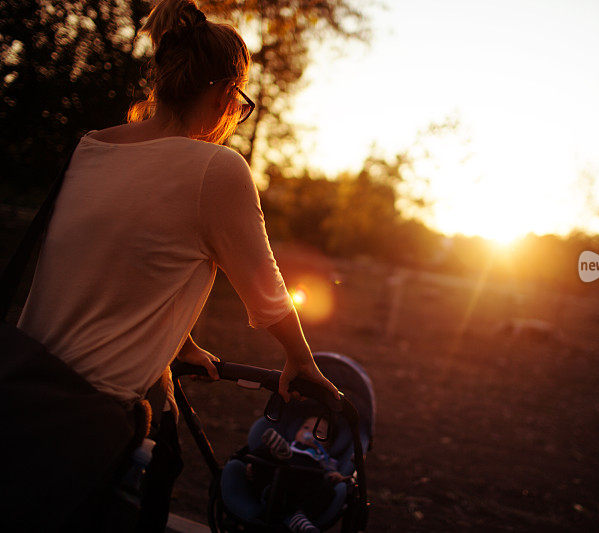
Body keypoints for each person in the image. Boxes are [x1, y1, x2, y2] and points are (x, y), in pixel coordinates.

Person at [15, 0, 339, 530]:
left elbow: (111, 260)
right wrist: (300, 360)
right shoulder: (215, 168)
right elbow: (267, 293)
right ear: (224, 94)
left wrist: (174, 342)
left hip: (21, 397)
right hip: (87, 430)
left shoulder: (91, 148)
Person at [246, 416, 350, 533]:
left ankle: (299, 516)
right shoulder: (290, 445)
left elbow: (331, 473)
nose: (309, 433)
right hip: (277, 475)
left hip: (303, 488)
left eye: (318, 432)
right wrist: (253, 466)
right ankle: (267, 461)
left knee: (328, 490)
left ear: (328, 444)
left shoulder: (325, 458)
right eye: (305, 427)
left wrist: (335, 477)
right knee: (268, 453)